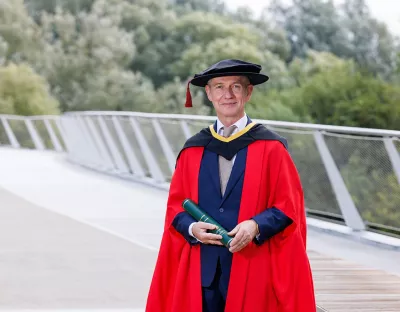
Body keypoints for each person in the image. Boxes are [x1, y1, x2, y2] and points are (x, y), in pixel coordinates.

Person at [146, 59, 316, 312]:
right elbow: (175, 208)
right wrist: (192, 228)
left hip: (252, 270)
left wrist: (255, 224)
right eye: (219, 87)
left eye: (236, 87)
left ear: (248, 92)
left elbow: (288, 207)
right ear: (209, 94)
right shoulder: (194, 149)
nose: (227, 95)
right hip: (202, 272)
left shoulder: (272, 148)